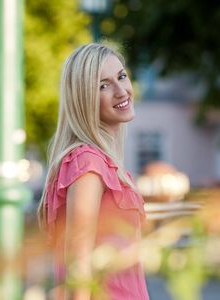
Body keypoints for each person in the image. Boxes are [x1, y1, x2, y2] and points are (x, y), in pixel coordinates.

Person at [37, 43, 150, 300]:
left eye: (121, 76)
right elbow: (79, 266)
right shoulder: (87, 163)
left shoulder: (104, 164)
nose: (122, 91)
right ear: (83, 98)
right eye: (103, 85)